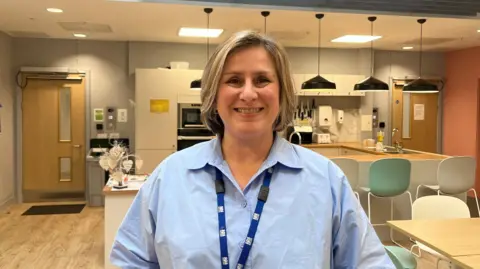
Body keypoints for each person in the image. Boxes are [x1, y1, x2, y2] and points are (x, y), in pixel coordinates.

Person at [110, 30, 395, 269]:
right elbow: (131, 260)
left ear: (282, 93)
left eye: (262, 80)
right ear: (214, 94)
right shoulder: (169, 177)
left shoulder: (326, 180)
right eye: (233, 80)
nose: (248, 93)